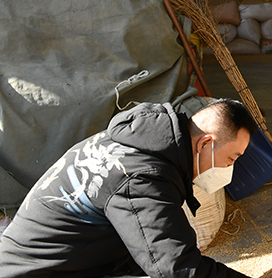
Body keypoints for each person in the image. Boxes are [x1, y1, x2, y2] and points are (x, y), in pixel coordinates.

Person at [0, 99, 257, 277]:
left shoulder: (135, 143)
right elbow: (178, 269)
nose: (228, 168)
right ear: (205, 144)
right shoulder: (143, 178)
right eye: (231, 158)